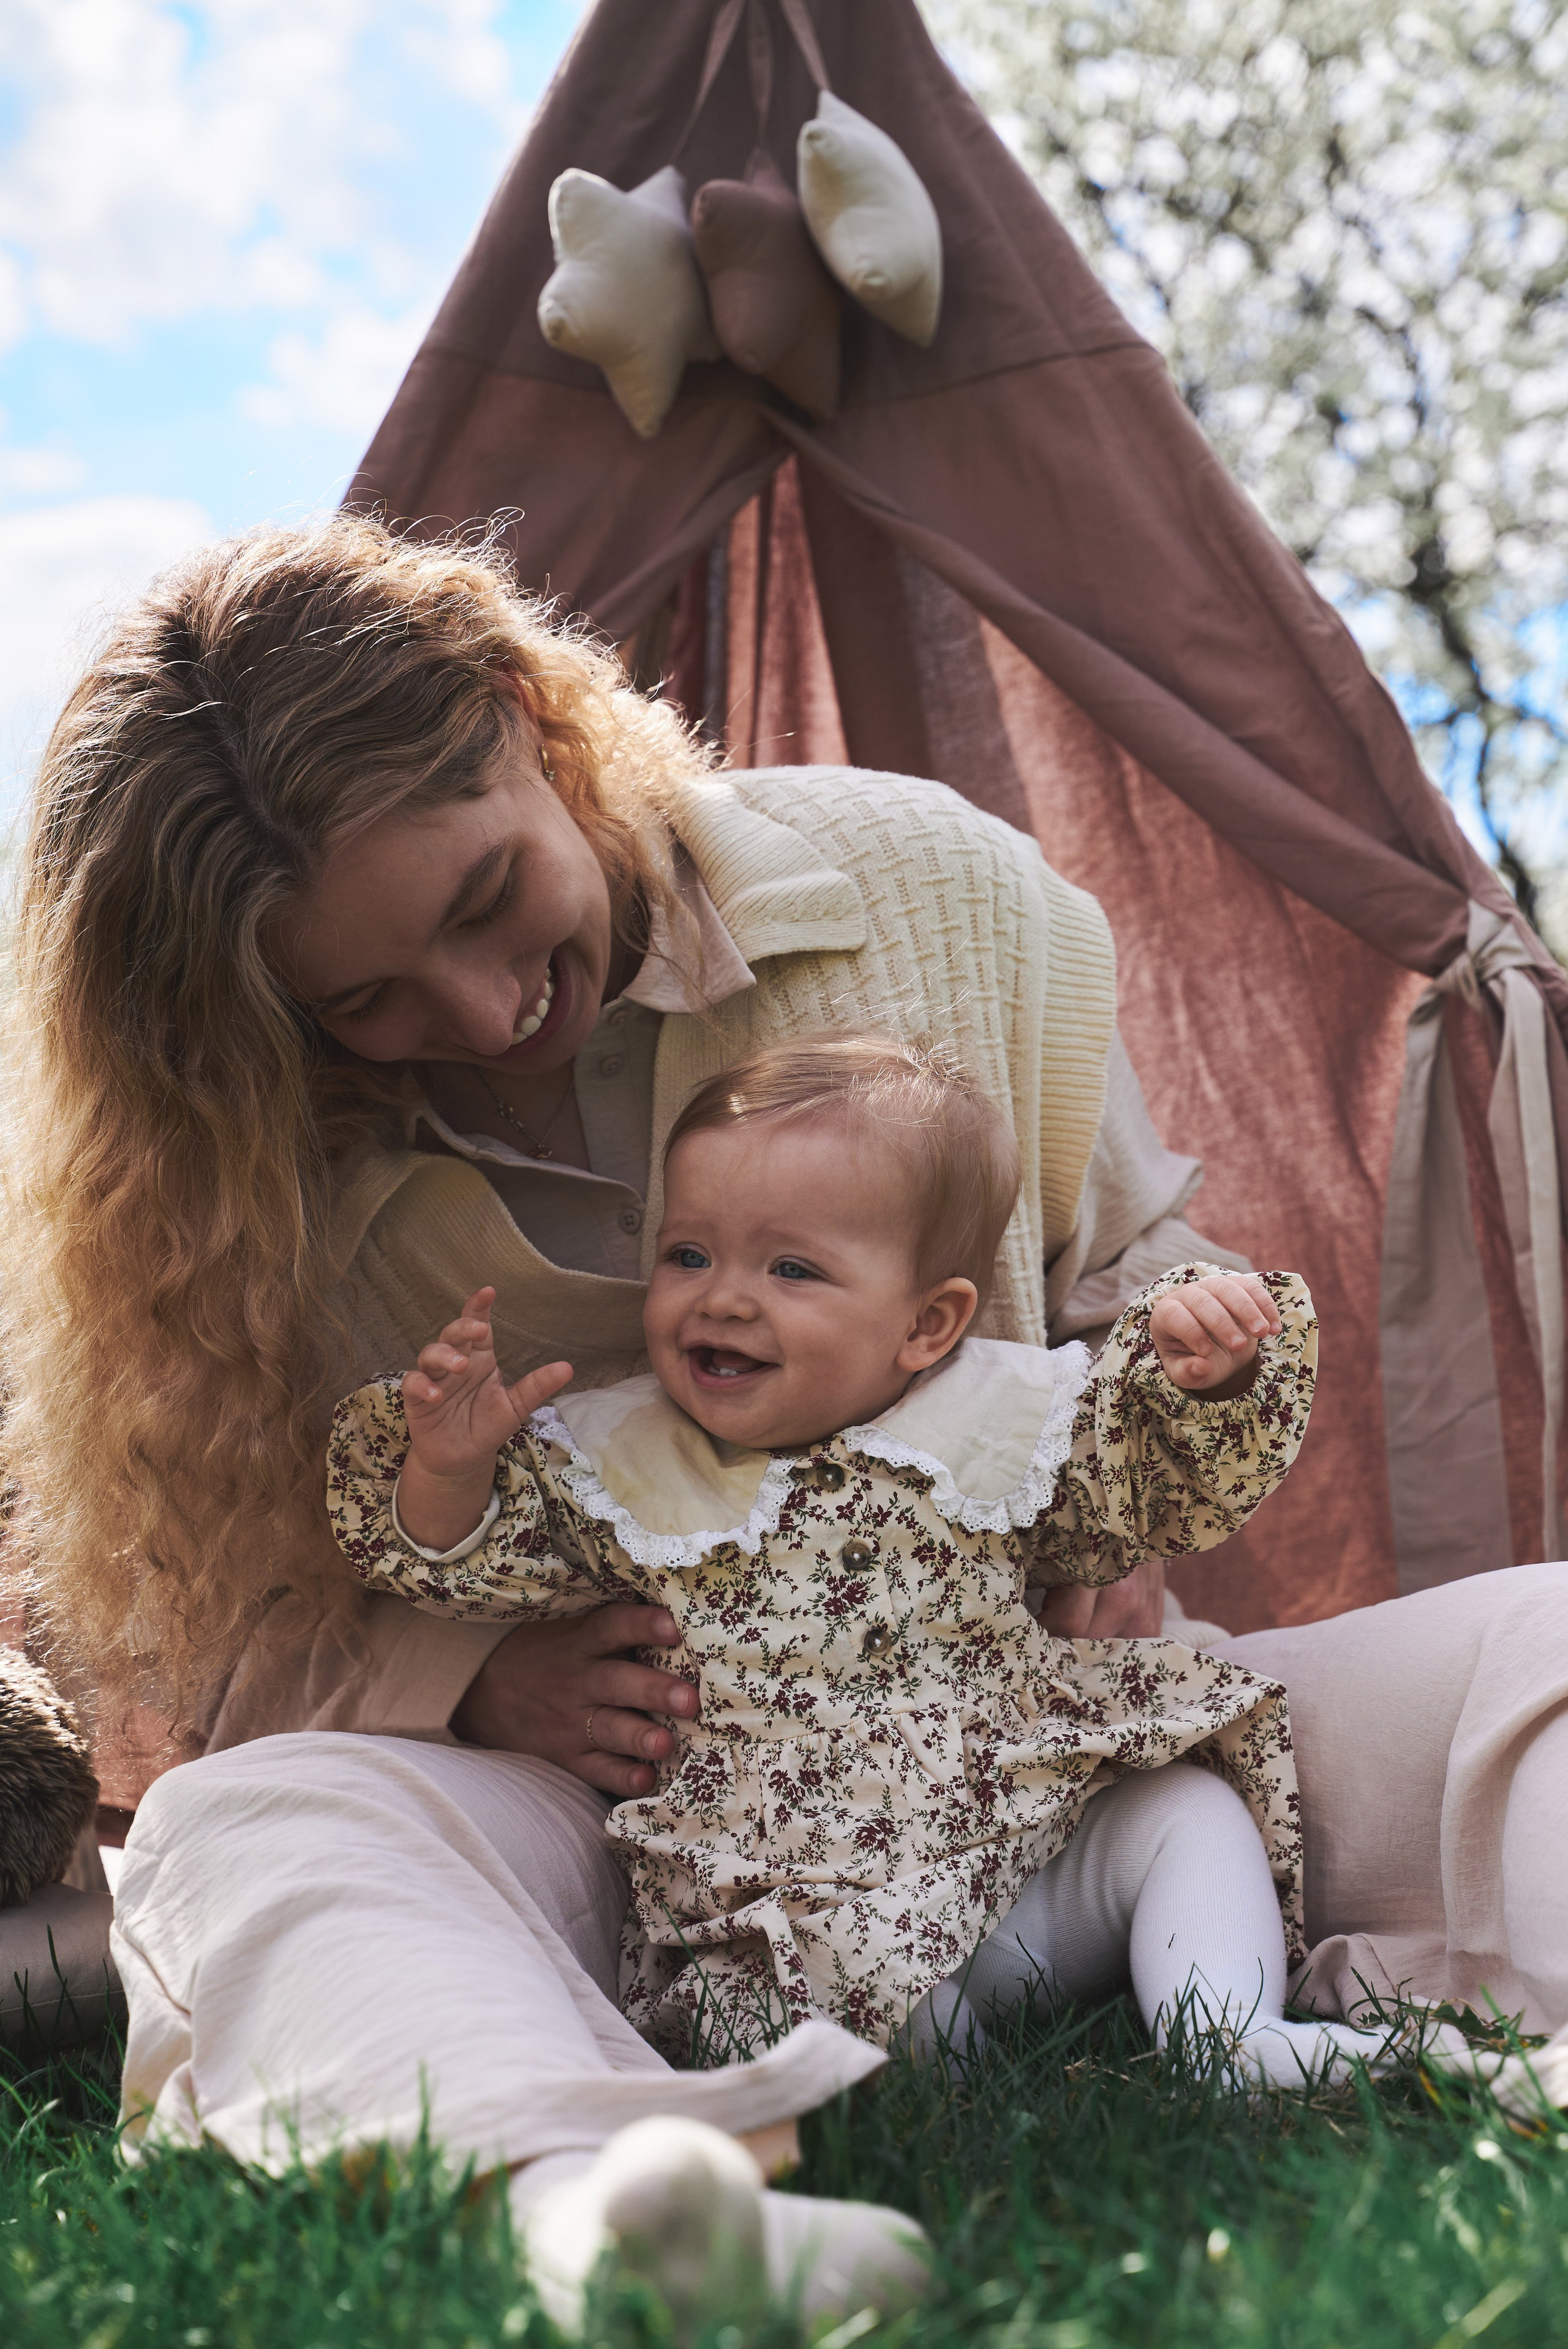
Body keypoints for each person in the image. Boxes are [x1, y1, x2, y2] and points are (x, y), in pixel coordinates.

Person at [3, 513, 1565, 2318]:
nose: (480, 1010)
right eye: (361, 999)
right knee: (250, 1822)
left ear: (523, 714)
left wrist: (1171, 1363)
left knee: (1532, 1644)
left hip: (1046, 1747)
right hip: (628, 1840)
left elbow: (1127, 1263)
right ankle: (596, 2205)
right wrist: (474, 1679)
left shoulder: (925, 886)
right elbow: (236, 1640)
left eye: (484, 898)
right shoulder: (240, 1184)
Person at [332, 1029, 1421, 2110]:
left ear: (928, 1323)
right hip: (814, 1899)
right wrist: (448, 1470)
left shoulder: (996, 1420)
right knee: (816, 1994)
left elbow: (1144, 1489)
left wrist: (1200, 1376)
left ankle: (1231, 2034)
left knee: (1183, 1812)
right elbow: (474, 1569)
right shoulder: (625, 1458)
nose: (723, 1298)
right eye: (689, 1255)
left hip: (1027, 1840)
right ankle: (960, 2109)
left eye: (791, 1269)